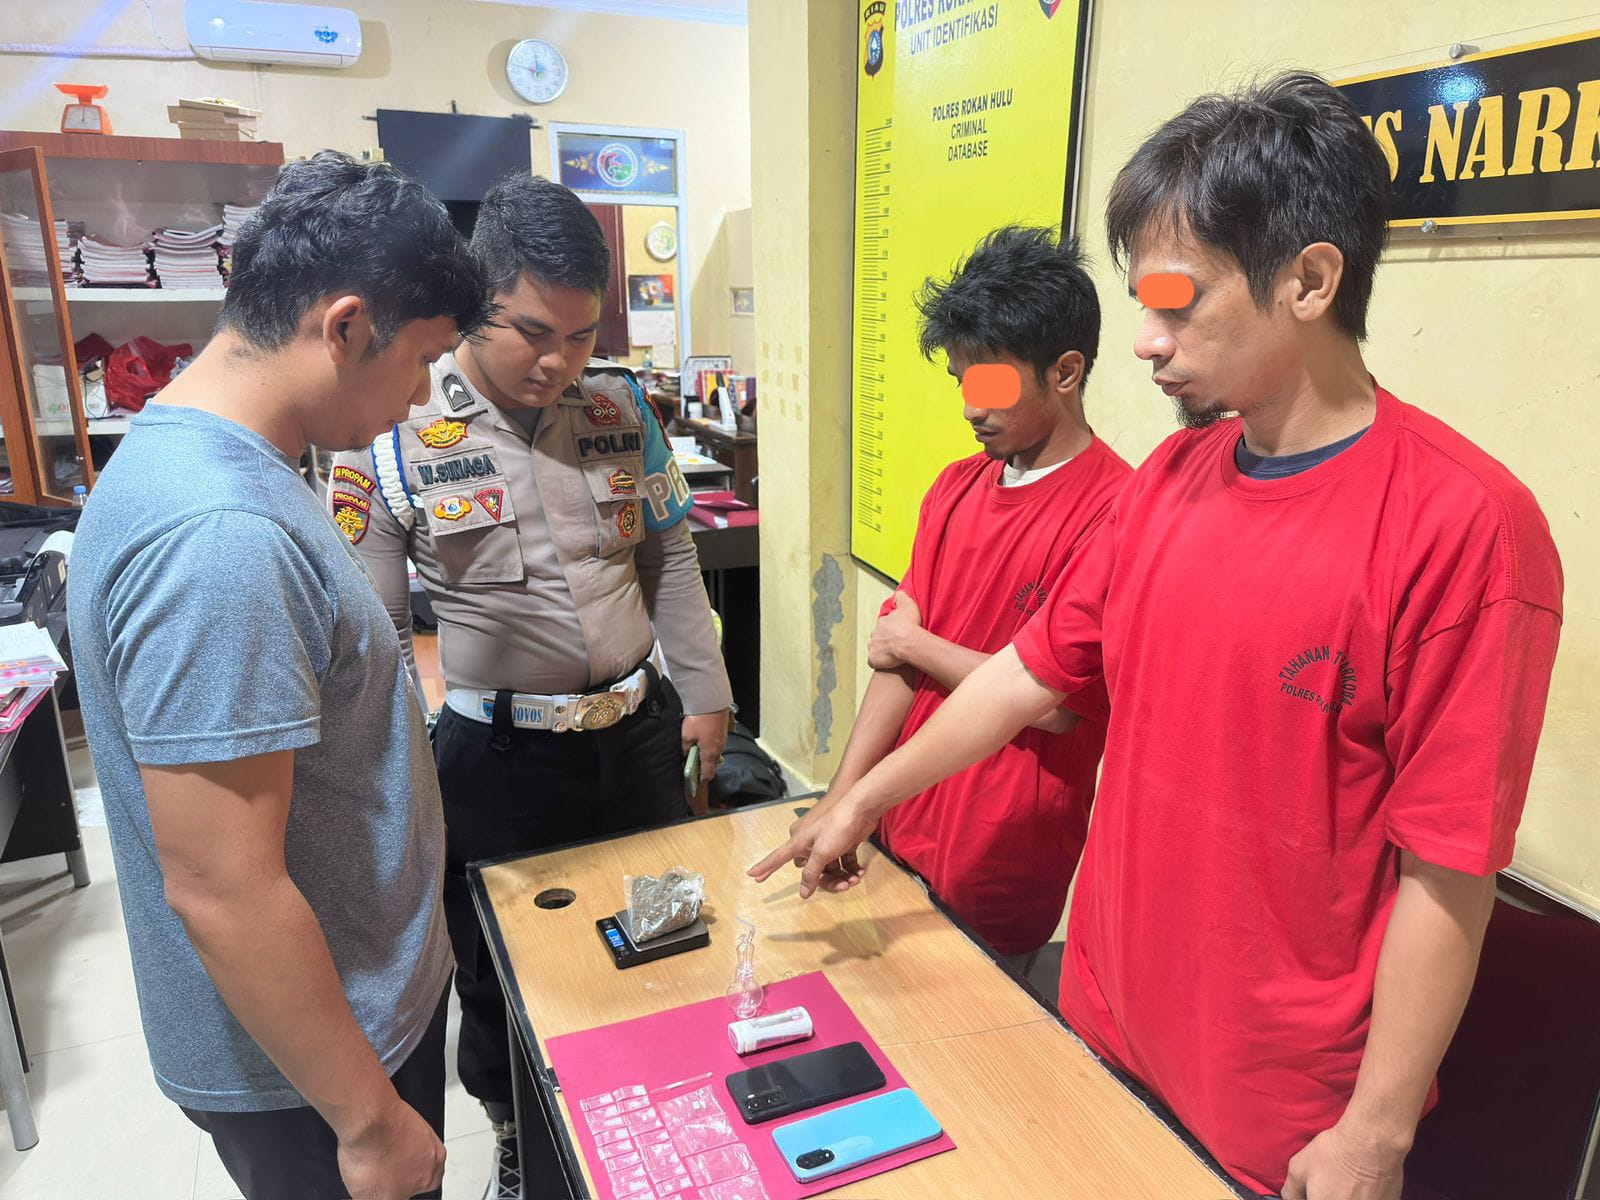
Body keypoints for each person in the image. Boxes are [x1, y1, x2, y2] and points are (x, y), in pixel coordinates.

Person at [753, 73, 1563, 1199]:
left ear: (1309, 281)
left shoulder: (1465, 527)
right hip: (1099, 1020)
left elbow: (1450, 863)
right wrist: (859, 799)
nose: (1143, 342)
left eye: (1178, 303)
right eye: (1141, 303)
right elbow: (1024, 676)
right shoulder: (1170, 483)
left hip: (1277, 1102)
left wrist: (1374, 1131)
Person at [67, 151, 495, 1200]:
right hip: (315, 1070)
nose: (419, 400)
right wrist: (367, 1123)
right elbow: (224, 885)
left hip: (333, 1023)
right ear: (344, 327)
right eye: (420, 361)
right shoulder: (220, 535)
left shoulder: (208, 457)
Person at [327, 172, 733, 1198]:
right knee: (500, 970)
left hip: (638, 737)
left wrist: (707, 694)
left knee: (663, 929)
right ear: (478, 303)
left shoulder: (619, 408)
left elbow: (669, 560)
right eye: (534, 333)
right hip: (496, 762)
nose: (559, 362)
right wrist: (399, 788)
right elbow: (378, 635)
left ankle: (659, 1106)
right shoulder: (393, 433)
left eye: (582, 335)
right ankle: (517, 1130)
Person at [818, 226, 1128, 968]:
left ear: (1066, 371)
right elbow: (894, 663)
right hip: (898, 814)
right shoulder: (954, 488)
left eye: (989, 384)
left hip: (1002, 847)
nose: (969, 408)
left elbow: (1053, 706)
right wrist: (842, 797)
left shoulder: (1118, 509)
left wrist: (916, 644)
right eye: (961, 382)